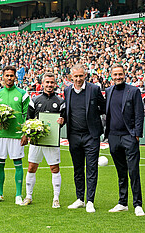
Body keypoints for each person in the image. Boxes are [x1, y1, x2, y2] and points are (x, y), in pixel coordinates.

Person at [59, 64, 105, 213]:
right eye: (76, 76)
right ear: (71, 77)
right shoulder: (67, 90)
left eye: (81, 76)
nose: (78, 79)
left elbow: (103, 108)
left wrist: (93, 116)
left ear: (85, 76)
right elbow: (67, 112)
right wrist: (62, 120)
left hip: (91, 136)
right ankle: (80, 199)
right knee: (78, 169)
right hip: (74, 136)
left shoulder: (94, 89)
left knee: (92, 169)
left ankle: (90, 200)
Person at [105, 64, 145, 216]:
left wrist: (137, 134)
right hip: (114, 137)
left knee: (133, 171)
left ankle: (137, 204)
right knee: (121, 172)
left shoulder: (133, 91)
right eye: (115, 74)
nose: (118, 77)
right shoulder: (109, 91)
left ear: (124, 74)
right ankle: (123, 203)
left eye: (120, 74)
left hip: (129, 136)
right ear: (111, 75)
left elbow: (139, 114)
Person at [20, 72, 64, 207]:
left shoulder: (61, 102)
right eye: (47, 82)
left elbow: (65, 119)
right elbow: (29, 119)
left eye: (52, 82)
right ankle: (28, 196)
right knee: (32, 167)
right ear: (43, 83)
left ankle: (56, 198)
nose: (49, 85)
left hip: (52, 140)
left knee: (54, 168)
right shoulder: (35, 100)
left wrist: (63, 120)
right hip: (36, 141)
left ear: (55, 84)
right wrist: (26, 135)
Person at [0, 66, 29, 205]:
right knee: (0, 164)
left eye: (12, 75)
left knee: (18, 164)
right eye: (7, 75)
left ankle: (18, 195)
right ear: (3, 77)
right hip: (1, 134)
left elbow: (26, 116)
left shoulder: (23, 94)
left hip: (16, 134)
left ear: (15, 77)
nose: (9, 78)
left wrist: (25, 133)